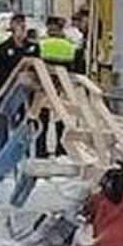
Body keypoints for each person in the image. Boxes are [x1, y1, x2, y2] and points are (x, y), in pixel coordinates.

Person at [0, 13, 39, 154]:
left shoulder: (32, 47)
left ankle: (23, 153)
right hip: (7, 90)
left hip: (26, 92)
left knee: (24, 123)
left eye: (22, 25)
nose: (20, 29)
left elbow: (37, 67)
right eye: (17, 25)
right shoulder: (3, 48)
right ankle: (0, 154)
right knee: (2, 122)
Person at [38, 16, 79, 157]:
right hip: (63, 87)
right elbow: (76, 67)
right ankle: (60, 150)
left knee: (42, 120)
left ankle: (40, 151)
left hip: (44, 87)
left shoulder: (41, 43)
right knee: (61, 120)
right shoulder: (70, 45)